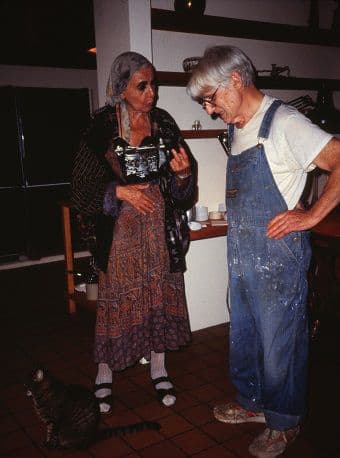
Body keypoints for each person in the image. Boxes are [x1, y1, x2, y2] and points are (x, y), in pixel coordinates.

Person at [187, 45, 340, 457]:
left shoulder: (285, 122)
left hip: (277, 255)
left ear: (235, 80)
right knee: (246, 335)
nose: (213, 110)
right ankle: (253, 403)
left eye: (212, 99)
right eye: (205, 103)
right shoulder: (239, 127)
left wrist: (311, 217)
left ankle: (286, 421)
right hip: (242, 252)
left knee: (280, 343)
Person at [72, 51, 197, 414]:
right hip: (119, 239)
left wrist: (184, 174)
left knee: (157, 297)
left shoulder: (165, 124)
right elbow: (80, 188)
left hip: (160, 235)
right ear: (121, 88)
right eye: (142, 85)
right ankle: (104, 375)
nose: (152, 93)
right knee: (116, 303)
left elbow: (184, 194)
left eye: (153, 84)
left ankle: (159, 370)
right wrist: (118, 192)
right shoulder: (101, 127)